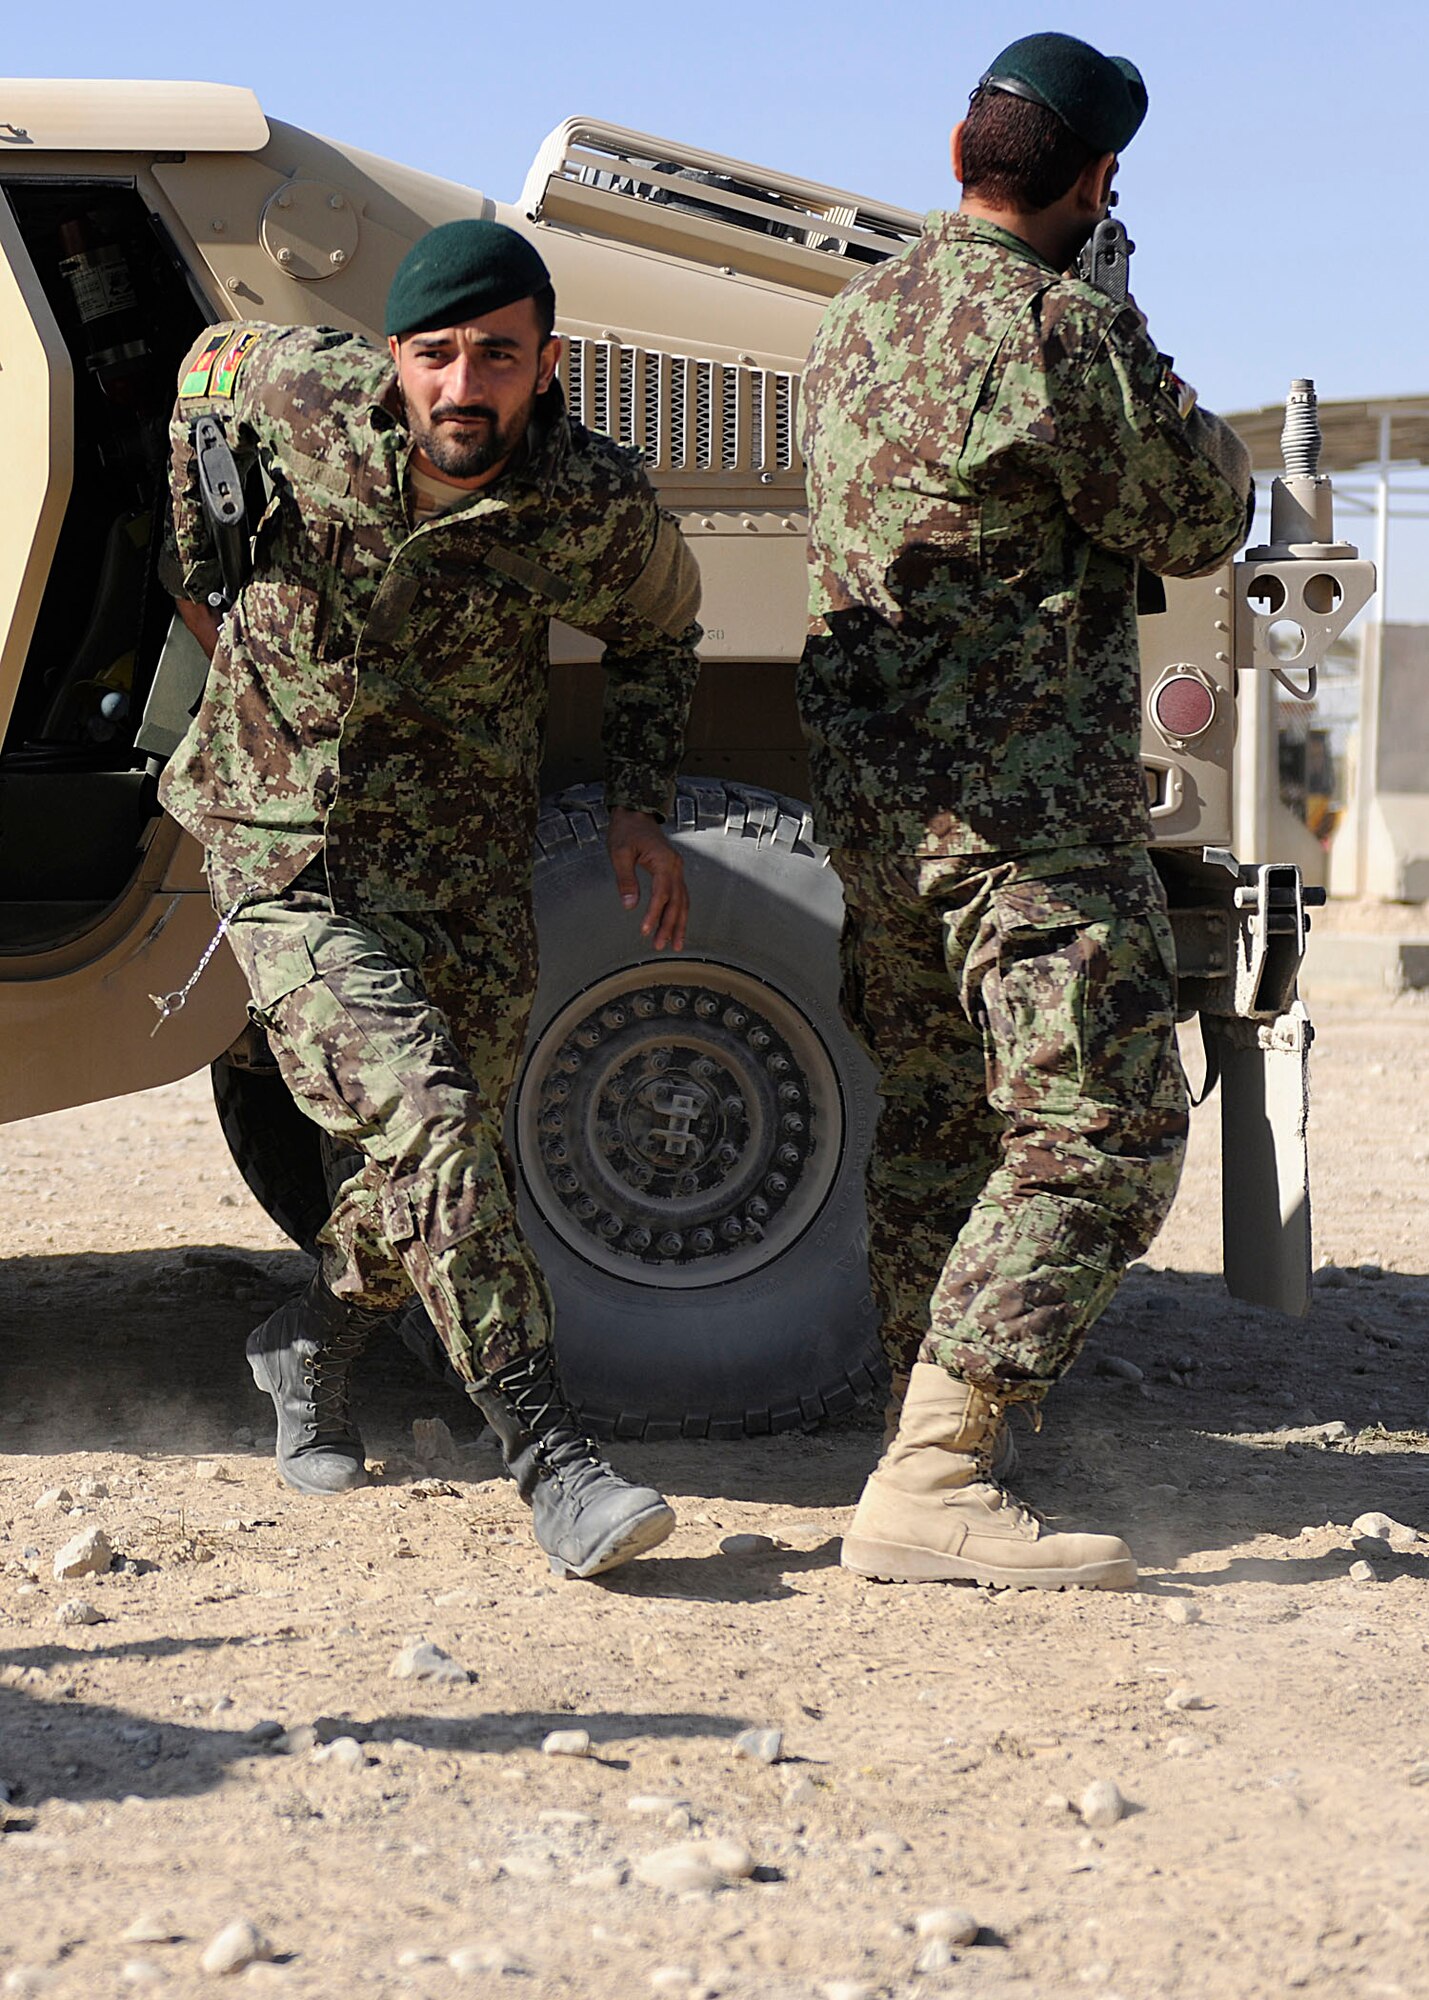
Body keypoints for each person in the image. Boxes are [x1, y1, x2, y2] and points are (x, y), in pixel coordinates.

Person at [161, 219, 703, 1579]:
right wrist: (211, 565)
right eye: (438, 356)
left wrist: (638, 801)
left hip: (458, 861)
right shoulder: (300, 392)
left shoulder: (589, 498)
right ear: (393, 357)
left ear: (548, 363)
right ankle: (554, 1460)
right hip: (284, 844)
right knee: (433, 1124)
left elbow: (659, 626)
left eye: (499, 357)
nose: (465, 387)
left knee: (443, 1165)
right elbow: (201, 372)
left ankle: (310, 1342)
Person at [796, 33, 1252, 1589]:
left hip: (881, 816)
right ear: (1096, 180)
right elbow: (1195, 514)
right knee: (1102, 1130)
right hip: (1020, 818)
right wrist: (1125, 324)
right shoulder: (1063, 331)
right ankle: (934, 1478)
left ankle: (921, 1437)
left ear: (956, 152)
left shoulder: (854, 317)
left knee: (940, 1128)